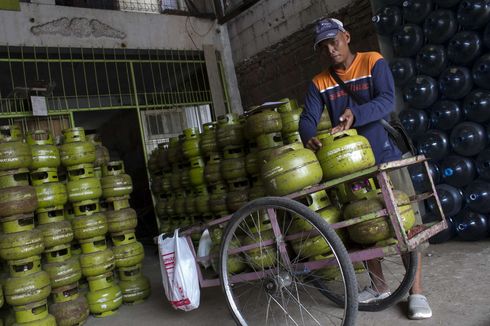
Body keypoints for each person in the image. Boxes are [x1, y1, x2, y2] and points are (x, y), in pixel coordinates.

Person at [298, 17, 432, 320]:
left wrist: (354, 114)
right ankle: (379, 286)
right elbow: (307, 117)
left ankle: (417, 292)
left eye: (334, 41)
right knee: (363, 223)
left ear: (346, 37)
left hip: (385, 153)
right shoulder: (319, 82)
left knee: (405, 222)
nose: (331, 50)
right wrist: (308, 137)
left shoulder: (373, 61)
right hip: (351, 165)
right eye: (324, 46)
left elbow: (386, 100)